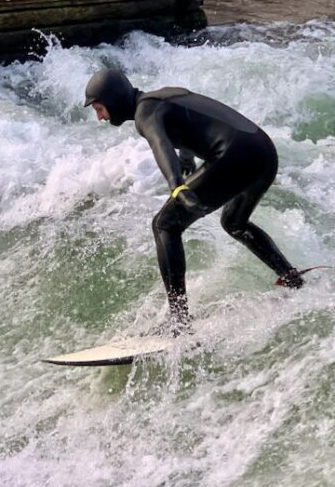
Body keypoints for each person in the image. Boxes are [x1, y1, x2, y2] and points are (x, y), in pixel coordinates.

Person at [85, 69, 307, 334]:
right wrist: (187, 155)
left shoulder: (145, 114)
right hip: (262, 150)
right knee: (234, 222)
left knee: (164, 225)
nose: (100, 117)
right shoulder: (164, 95)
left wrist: (176, 185)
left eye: (100, 108)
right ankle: (291, 277)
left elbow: (159, 143)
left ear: (114, 100)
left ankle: (179, 321)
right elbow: (189, 119)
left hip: (237, 154)